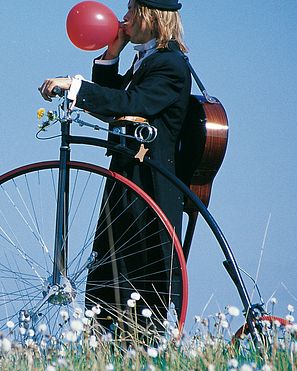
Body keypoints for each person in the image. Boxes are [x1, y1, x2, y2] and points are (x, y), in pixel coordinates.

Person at [39, 0, 191, 336]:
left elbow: (130, 105)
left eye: (131, 10)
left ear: (150, 16)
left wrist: (73, 85)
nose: (123, 18)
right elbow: (113, 104)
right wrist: (111, 53)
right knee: (109, 264)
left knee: (139, 270)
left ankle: (142, 347)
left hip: (150, 183)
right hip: (128, 178)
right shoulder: (148, 59)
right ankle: (104, 346)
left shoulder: (170, 65)